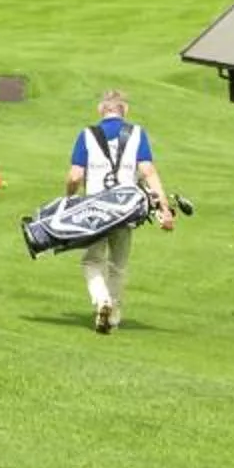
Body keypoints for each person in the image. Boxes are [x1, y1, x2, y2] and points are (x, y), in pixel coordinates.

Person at [65, 89, 173, 334]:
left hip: (96, 210)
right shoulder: (137, 134)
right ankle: (113, 314)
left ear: (100, 110)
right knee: (118, 265)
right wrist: (164, 208)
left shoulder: (87, 135)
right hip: (126, 210)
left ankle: (101, 301)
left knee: (92, 260)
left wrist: (69, 199)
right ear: (125, 110)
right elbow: (147, 171)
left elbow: (75, 176)